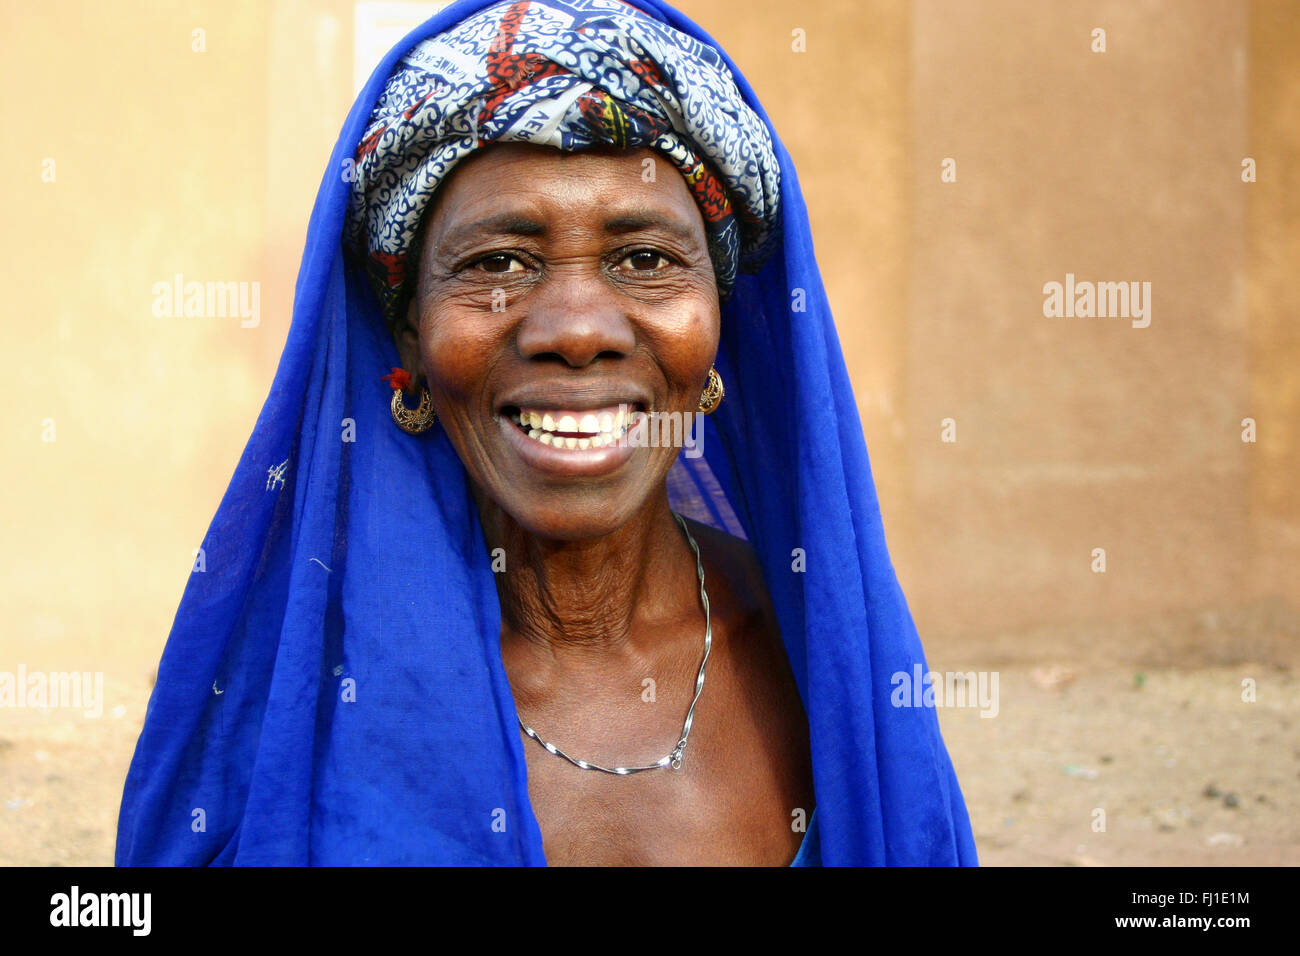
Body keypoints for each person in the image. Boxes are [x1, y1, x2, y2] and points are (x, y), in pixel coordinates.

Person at [116, 0, 978, 866]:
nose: (575, 329)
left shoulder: (821, 658)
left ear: (719, 323)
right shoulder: (296, 692)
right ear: (409, 334)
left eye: (645, 259)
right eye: (498, 262)